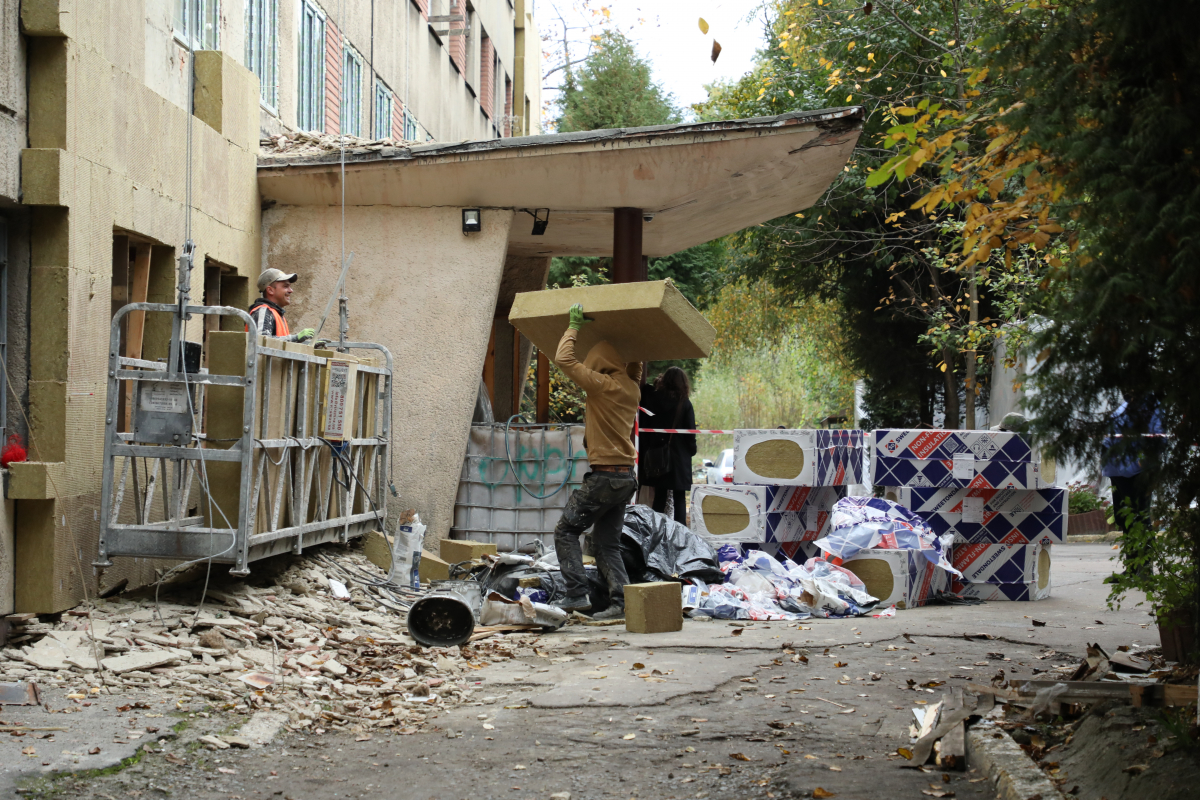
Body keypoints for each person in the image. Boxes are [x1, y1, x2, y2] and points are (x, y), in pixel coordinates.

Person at [550, 303, 640, 620]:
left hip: (603, 478)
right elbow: (635, 370)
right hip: (626, 478)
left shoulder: (601, 386)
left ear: (599, 365)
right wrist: (638, 345)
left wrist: (573, 326)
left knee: (565, 531)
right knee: (606, 544)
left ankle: (576, 595)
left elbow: (564, 360)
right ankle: (620, 604)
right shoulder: (631, 388)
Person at [1102, 395, 1163, 577]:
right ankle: (1131, 568)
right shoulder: (1125, 407)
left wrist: (1142, 465)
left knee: (1140, 518)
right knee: (1125, 519)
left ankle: (1144, 569)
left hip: (1136, 472)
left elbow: (1157, 440)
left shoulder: (1151, 408)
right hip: (1117, 472)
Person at [639, 367, 697, 526]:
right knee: (679, 497)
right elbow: (690, 431)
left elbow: (647, 424)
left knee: (659, 496)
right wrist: (692, 450)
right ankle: (680, 534)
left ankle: (657, 531)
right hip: (679, 457)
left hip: (659, 455)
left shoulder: (654, 400)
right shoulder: (685, 403)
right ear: (683, 383)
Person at [248, 268, 315, 342]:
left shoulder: (275, 313)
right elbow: (260, 342)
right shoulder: (263, 311)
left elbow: (279, 347)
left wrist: (310, 345)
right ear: (270, 290)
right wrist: (295, 338)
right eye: (286, 286)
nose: (291, 290)